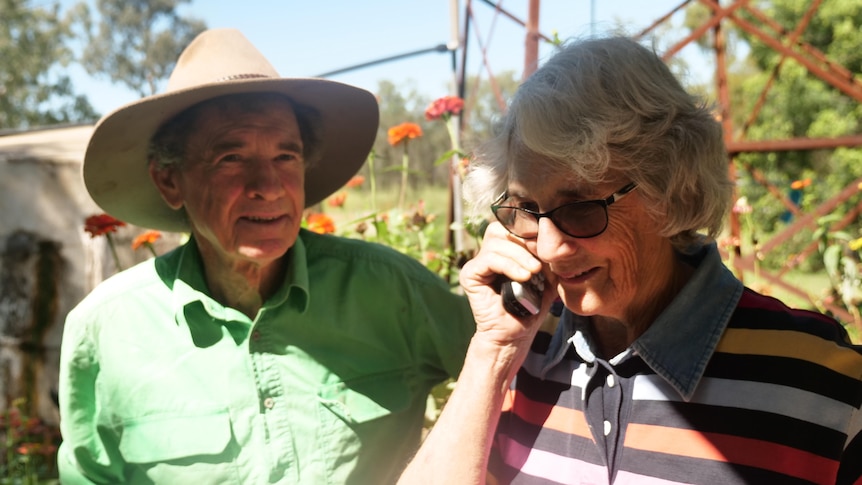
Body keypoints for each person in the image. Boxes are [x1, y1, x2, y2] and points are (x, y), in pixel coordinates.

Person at [398, 36, 862, 484]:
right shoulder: (517, 356)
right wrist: (493, 353)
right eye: (526, 210)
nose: (548, 247)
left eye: (581, 206)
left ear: (674, 190)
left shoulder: (821, 384)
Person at [57, 28, 475, 484]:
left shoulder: (391, 291)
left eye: (286, 157)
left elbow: (521, 374)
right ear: (169, 181)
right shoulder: (106, 328)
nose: (269, 186)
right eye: (231, 157)